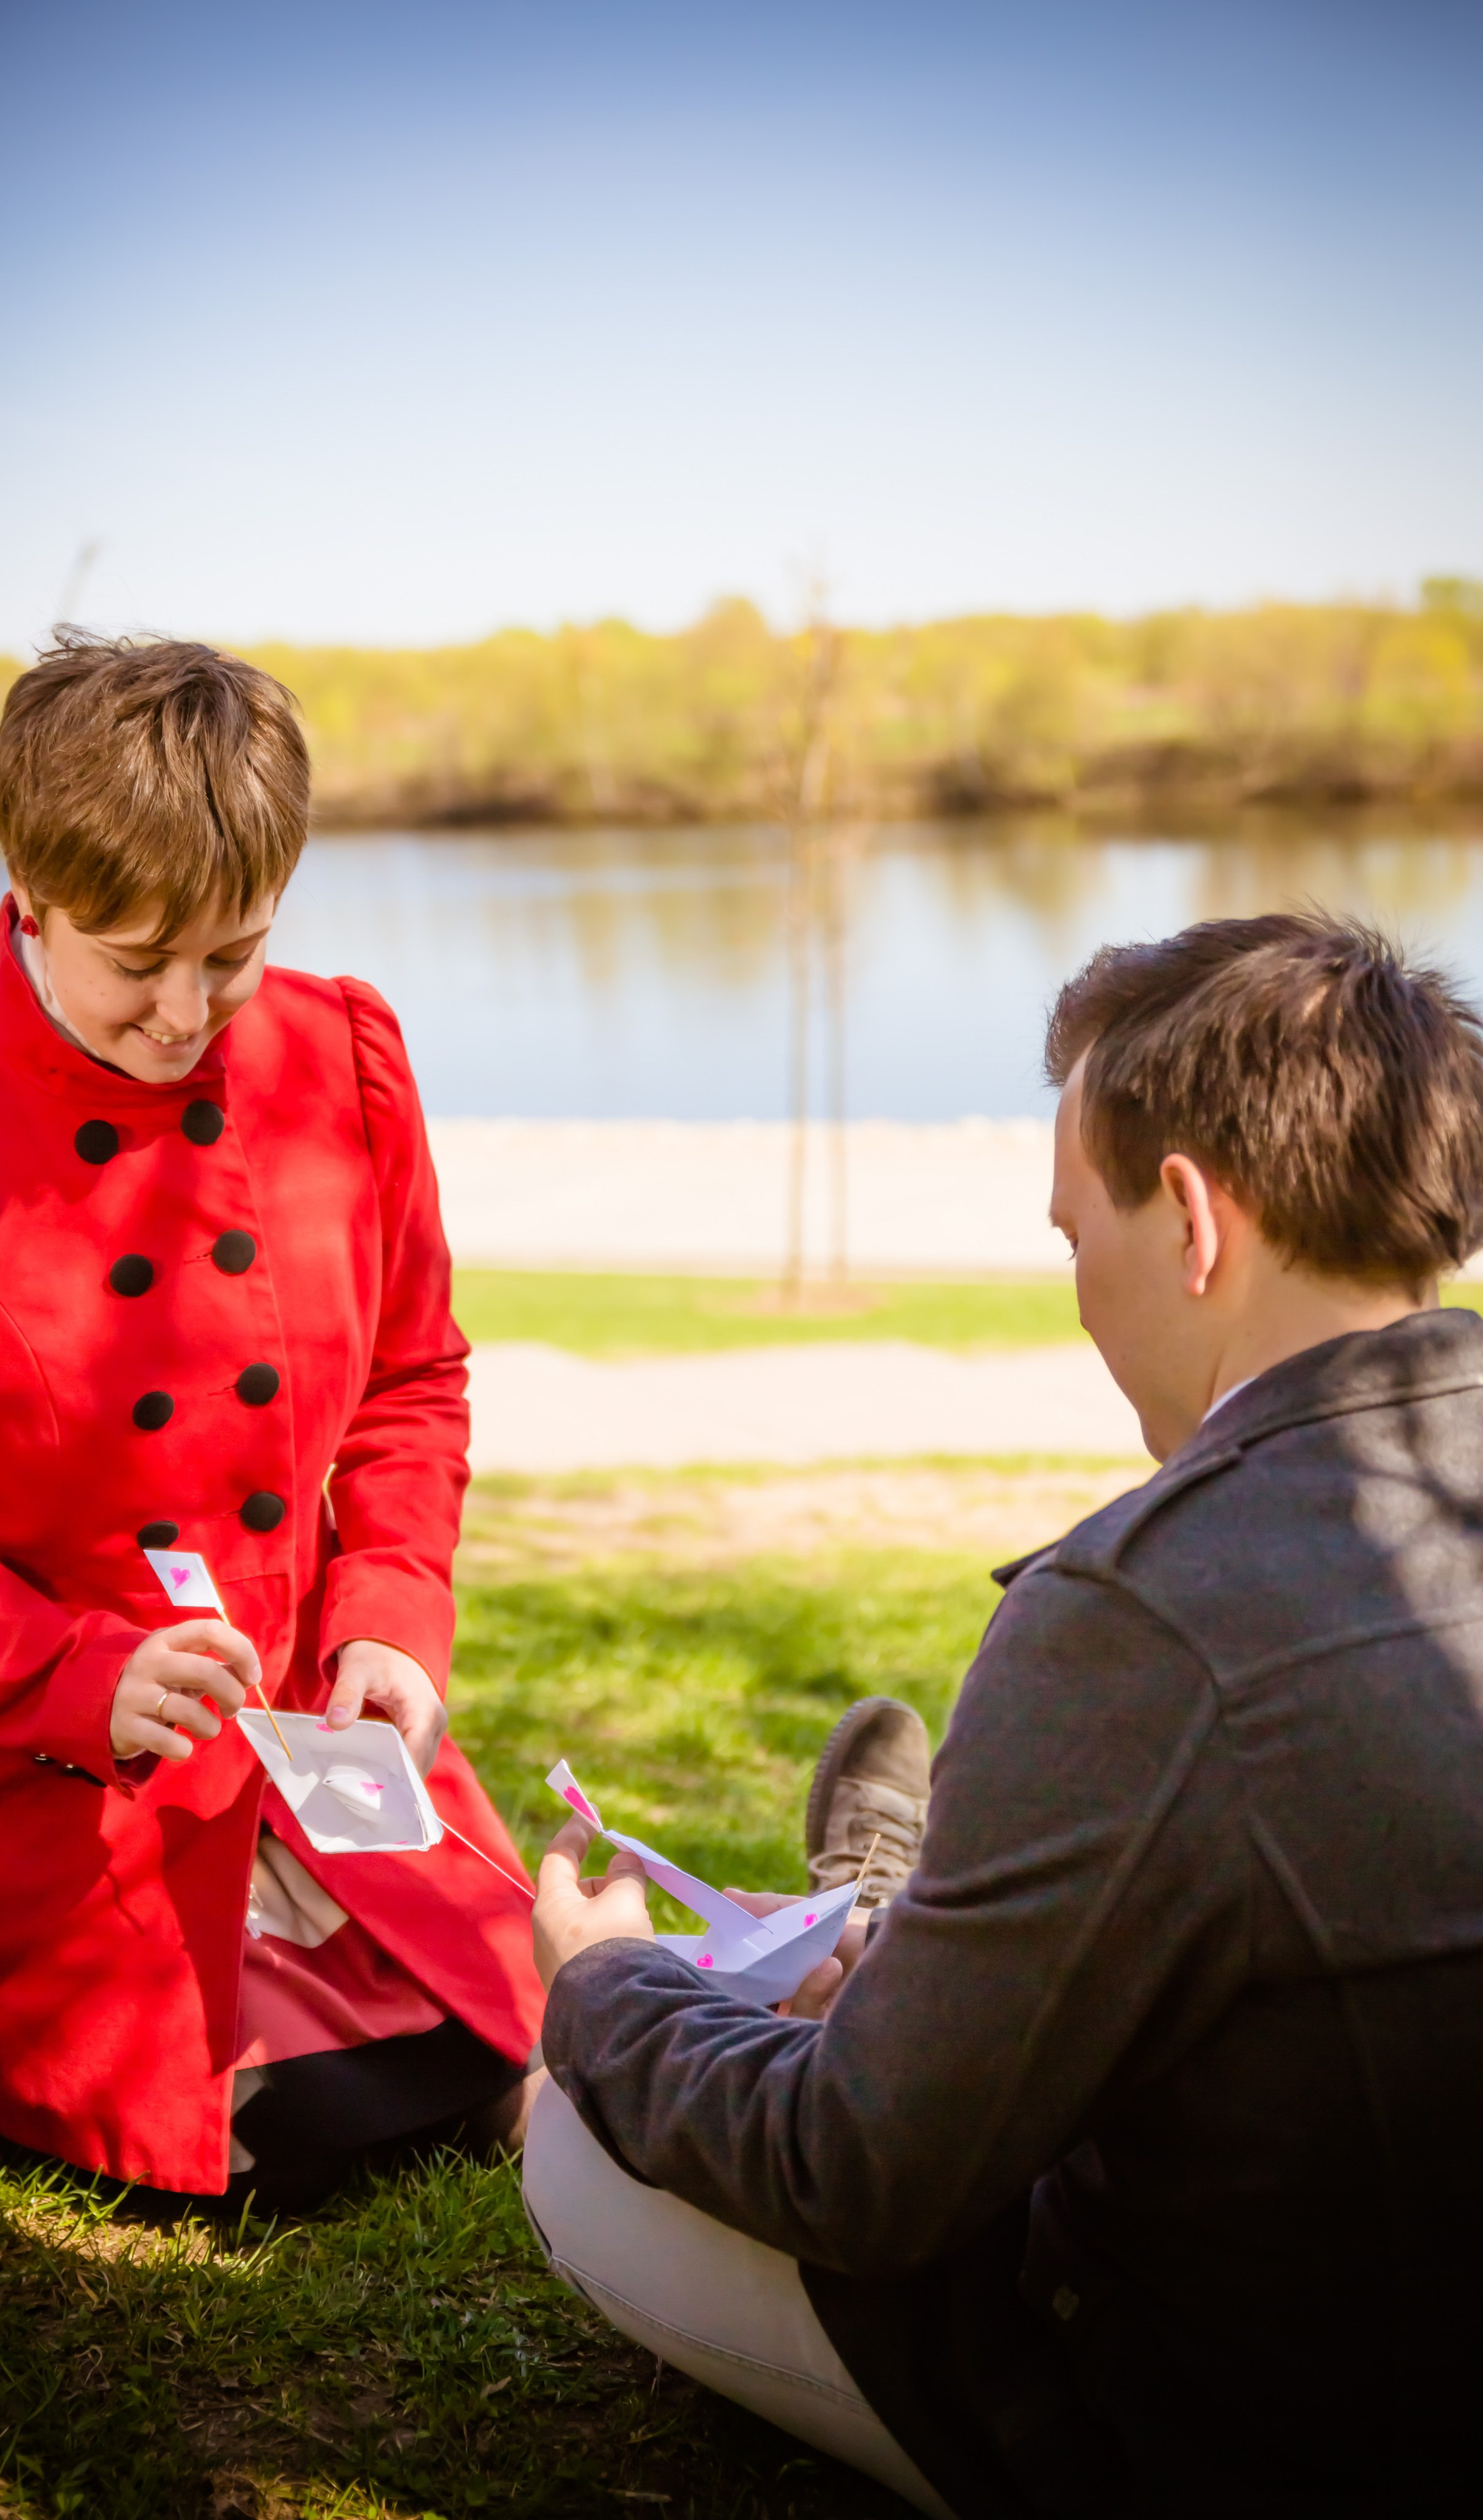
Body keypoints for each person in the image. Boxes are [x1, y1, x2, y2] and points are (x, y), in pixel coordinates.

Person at [524, 913, 1483, 2517]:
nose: (1079, 1299)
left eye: (1070, 1238)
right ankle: (895, 1908)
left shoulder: (1134, 1616)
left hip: (1234, 2428)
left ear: (1186, 1217)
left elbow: (859, 2170)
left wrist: (606, 1991)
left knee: (575, 2125)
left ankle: (884, 1906)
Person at [0, 632, 542, 2213]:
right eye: (136, 961)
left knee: (537, 2044)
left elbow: (414, 1380)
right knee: (325, 2136)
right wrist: (81, 1674)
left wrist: (394, 1624)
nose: (185, 1012)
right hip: (16, 1779)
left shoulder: (346, 1056)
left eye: (234, 954)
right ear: (28, 889)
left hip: (304, 1745)